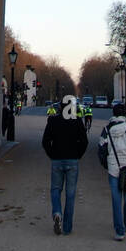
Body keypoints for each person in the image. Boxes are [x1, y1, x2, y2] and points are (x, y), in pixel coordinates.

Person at [42, 99, 88, 235]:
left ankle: (57, 212)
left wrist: (52, 154)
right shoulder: (77, 121)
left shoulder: (53, 121)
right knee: (71, 193)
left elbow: (45, 141)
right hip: (72, 160)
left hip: (57, 160)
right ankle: (67, 227)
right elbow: (84, 141)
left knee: (55, 189)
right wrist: (78, 155)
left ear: (60, 108)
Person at [98, 103, 126, 241]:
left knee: (116, 199)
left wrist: (107, 164)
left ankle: (119, 231)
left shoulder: (106, 130)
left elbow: (102, 150)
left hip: (113, 168)